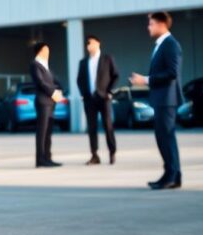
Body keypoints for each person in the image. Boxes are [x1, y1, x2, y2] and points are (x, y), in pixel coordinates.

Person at [130, 12, 183, 190]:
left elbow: (172, 73)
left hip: (167, 99)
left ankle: (171, 176)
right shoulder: (162, 45)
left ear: (161, 24)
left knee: (166, 138)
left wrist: (145, 80)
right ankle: (172, 175)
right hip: (162, 98)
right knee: (164, 138)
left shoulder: (170, 45)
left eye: (151, 24)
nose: (148, 27)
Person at [76, 35, 119, 165]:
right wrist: (84, 94)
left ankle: (112, 153)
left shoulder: (107, 58)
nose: (89, 46)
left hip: (104, 97)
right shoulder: (83, 62)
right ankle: (94, 155)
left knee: (108, 126)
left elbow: (115, 75)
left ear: (98, 43)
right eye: (87, 44)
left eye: (92, 43)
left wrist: (110, 92)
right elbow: (79, 80)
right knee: (92, 128)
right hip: (89, 99)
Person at [30, 42, 63, 168]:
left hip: (51, 103)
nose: (48, 52)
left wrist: (59, 90)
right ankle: (40, 159)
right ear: (40, 51)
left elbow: (56, 81)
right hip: (43, 102)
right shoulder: (35, 65)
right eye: (46, 50)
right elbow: (40, 82)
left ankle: (48, 157)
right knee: (42, 132)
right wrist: (53, 92)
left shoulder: (46, 66)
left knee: (48, 132)